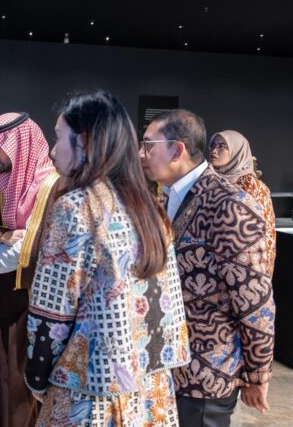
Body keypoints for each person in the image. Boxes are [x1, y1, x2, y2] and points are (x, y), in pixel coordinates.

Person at [24, 90, 190, 426]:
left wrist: (36, 377)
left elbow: (51, 315)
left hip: (91, 393)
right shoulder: (149, 207)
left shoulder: (75, 208)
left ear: (84, 142)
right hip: (150, 391)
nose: (53, 151)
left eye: (58, 137)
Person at [139, 110, 275, 427]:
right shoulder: (167, 196)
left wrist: (258, 372)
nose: (141, 154)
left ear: (177, 150)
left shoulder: (229, 204)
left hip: (207, 375)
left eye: (148, 145)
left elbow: (254, 300)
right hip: (165, 366)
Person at [0, 112, 62, 427]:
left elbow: (36, 250)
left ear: (20, 144)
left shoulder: (52, 187)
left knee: (26, 380)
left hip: (34, 304)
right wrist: (0, 236)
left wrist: (3, 251)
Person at [209, 130, 277, 276]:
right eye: (212, 145)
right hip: (210, 263)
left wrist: (262, 273)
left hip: (245, 266)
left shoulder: (253, 187)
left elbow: (267, 233)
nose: (214, 150)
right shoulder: (207, 182)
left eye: (221, 146)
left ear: (237, 151)